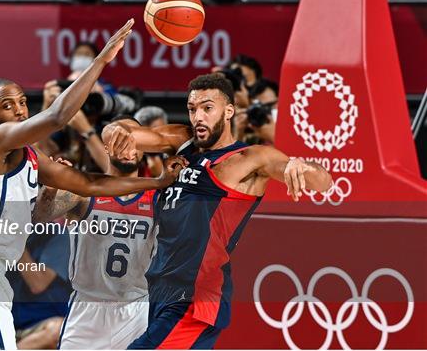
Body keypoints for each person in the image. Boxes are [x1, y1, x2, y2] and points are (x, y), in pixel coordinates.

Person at [0, 19, 185, 350]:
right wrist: (101, 61)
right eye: (8, 106)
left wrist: (158, 181)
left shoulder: (29, 157)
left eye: (22, 102)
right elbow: (56, 117)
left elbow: (89, 183)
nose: (20, 111)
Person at [103, 73, 332, 349]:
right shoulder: (182, 142)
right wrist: (117, 133)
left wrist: (299, 165)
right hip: (160, 289)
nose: (198, 116)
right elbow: (129, 133)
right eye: (192, 109)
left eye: (207, 108)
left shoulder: (249, 159)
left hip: (196, 296)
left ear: (228, 111)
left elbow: (323, 182)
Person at [33, 117, 159, 349]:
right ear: (105, 147)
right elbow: (39, 216)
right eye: (119, 140)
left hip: (135, 308)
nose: (127, 147)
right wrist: (49, 190)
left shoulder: (158, 198)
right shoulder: (84, 189)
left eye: (134, 141)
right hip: (87, 308)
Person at [9, 232, 71, 349]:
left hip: (40, 327)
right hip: (7, 324)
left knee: (59, 329)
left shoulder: (60, 236)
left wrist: (15, 242)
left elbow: (37, 284)